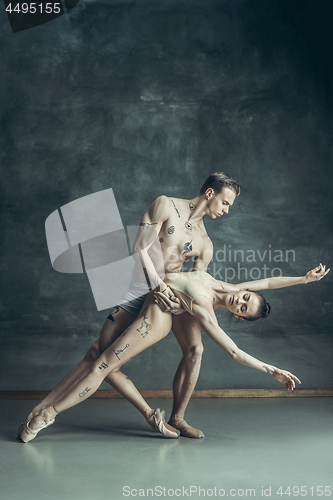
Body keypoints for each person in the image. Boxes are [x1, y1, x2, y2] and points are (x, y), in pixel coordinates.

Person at [18, 172, 241, 440]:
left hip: (167, 296)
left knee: (195, 349)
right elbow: (140, 247)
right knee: (97, 355)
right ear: (210, 193)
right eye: (226, 203)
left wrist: (179, 304)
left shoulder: (205, 243)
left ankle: (177, 418)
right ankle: (41, 412)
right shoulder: (165, 205)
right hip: (140, 289)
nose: (227, 210)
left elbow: (195, 284)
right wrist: (158, 285)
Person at [19, 263, 329, 443]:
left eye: (244, 309)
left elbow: (234, 352)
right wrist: (302, 279)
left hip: (156, 309)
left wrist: (269, 369)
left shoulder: (206, 310)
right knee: (98, 359)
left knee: (103, 363)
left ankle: (48, 414)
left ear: (239, 317)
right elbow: (269, 281)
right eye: (246, 297)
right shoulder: (222, 284)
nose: (241, 301)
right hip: (146, 293)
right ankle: (43, 413)